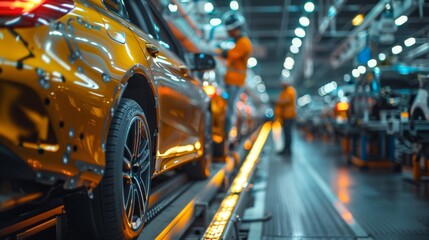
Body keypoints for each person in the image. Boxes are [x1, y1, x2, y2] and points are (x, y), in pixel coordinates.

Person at [217, 12, 253, 144]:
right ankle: (225, 134)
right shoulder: (238, 42)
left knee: (230, 110)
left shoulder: (244, 43)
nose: (228, 33)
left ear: (235, 28)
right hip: (231, 81)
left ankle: (227, 137)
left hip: (235, 82)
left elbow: (230, 55)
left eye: (229, 30)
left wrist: (216, 50)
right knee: (228, 108)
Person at [275, 80, 297, 155]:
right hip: (284, 116)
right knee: (285, 133)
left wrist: (278, 102)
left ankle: (288, 150)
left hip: (289, 115)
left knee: (287, 133)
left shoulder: (290, 91)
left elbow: (287, 100)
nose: (281, 85)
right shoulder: (284, 92)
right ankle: (286, 148)